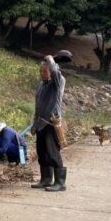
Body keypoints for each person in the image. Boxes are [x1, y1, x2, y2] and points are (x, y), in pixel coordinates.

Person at [31, 55, 67, 192]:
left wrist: (51, 61)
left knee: (53, 152)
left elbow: (57, 74)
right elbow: (37, 105)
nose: (42, 74)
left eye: (45, 71)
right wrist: (34, 124)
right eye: (41, 71)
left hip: (52, 123)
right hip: (41, 122)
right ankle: (46, 179)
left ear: (51, 71)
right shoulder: (41, 85)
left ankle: (60, 182)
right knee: (42, 151)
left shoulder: (58, 82)